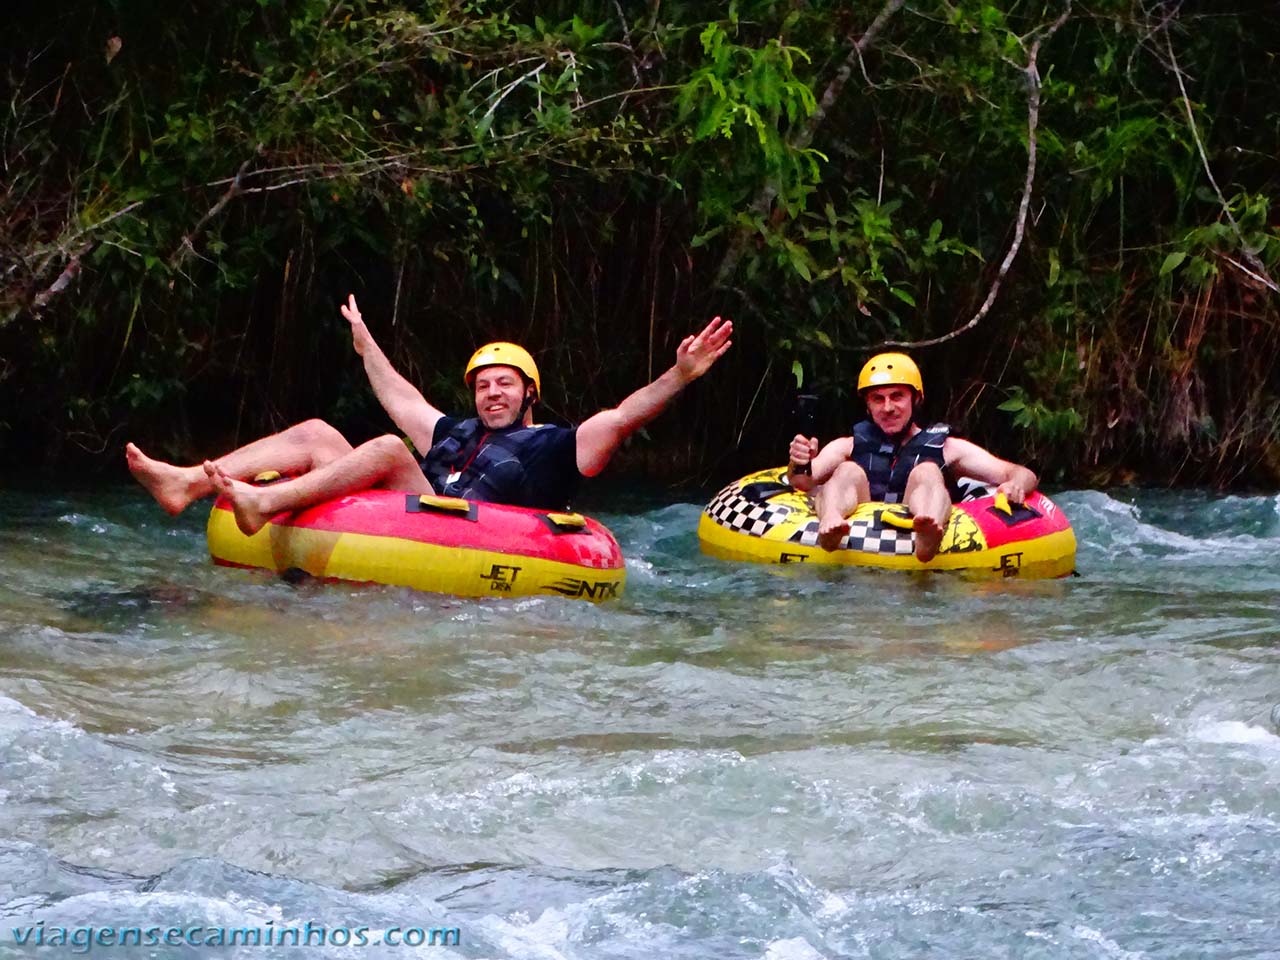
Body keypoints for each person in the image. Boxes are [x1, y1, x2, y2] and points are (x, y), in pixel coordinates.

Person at [127, 294, 732, 534]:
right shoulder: (456, 431)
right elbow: (399, 396)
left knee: (390, 448)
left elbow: (625, 415)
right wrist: (365, 341)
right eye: (483, 385)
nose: (492, 393)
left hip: (480, 531)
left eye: (506, 385)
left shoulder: (557, 444)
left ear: (529, 394)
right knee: (317, 431)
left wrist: (680, 373)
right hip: (415, 511)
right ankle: (184, 483)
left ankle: (262, 503)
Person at [786, 352, 1037, 561]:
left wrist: (1016, 484)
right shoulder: (847, 445)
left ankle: (928, 533)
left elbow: (1018, 472)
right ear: (867, 405)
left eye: (897, 396)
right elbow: (803, 481)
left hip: (919, 514)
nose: (888, 408)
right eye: (878, 399)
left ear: (915, 399)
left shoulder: (949, 448)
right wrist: (799, 462)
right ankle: (831, 521)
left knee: (926, 471)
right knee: (847, 471)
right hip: (859, 520)